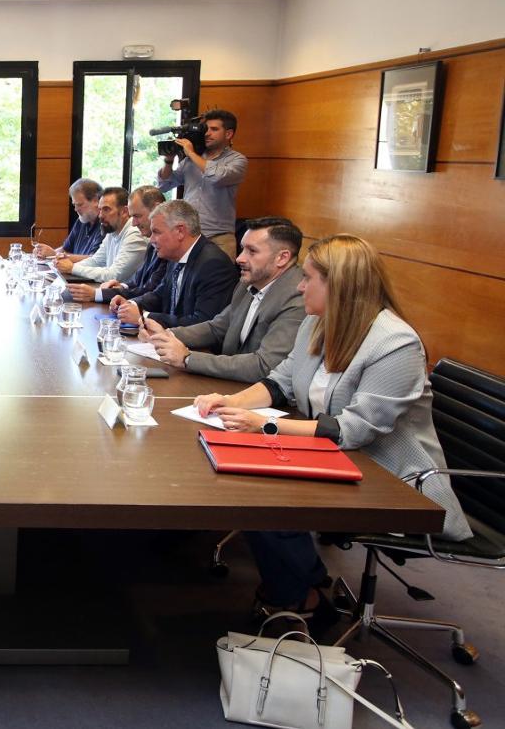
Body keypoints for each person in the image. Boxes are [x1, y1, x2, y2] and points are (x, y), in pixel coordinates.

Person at [193, 234, 472, 619]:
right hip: (338, 456)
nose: (300, 286)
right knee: (245, 483)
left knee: (266, 501)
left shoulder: (395, 344)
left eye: (308, 278)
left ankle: (299, 601)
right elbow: (281, 380)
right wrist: (231, 403)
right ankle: (304, 583)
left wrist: (265, 427)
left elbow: (355, 430)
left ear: (340, 285)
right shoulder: (316, 323)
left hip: (394, 478)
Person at [143, 217, 306, 383]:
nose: (239, 259)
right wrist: (166, 335)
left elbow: (264, 365)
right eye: (242, 249)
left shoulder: (297, 297)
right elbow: (217, 327)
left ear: (282, 258)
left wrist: (187, 358)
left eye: (252, 251)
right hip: (232, 385)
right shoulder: (249, 282)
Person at [112, 199, 237, 329]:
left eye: (156, 232)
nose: (152, 239)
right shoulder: (175, 256)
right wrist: (131, 305)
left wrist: (144, 317)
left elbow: (202, 323)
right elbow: (159, 295)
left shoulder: (213, 264)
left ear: (180, 231)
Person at [156, 109, 247, 259]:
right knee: (185, 280)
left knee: (219, 280)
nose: (207, 133)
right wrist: (168, 160)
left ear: (228, 134)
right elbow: (165, 184)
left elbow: (217, 177)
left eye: (214, 129)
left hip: (219, 237)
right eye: (206, 129)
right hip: (189, 235)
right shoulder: (191, 160)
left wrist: (191, 153)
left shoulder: (238, 160)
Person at [79, 185, 168, 305]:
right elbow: (138, 281)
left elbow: (150, 291)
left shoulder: (157, 242)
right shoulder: (151, 241)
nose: (134, 223)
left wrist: (97, 294)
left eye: (137, 216)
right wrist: (122, 286)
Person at [56, 186, 147, 284]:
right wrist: (65, 267)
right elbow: (96, 261)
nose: (100, 215)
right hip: (112, 293)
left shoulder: (135, 233)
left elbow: (114, 275)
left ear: (124, 212)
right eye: (100, 210)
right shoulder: (112, 230)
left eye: (106, 210)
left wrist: (72, 268)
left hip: (126, 297)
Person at [32, 178, 104, 261]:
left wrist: (55, 255)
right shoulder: (82, 220)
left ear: (95, 201)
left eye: (80, 205)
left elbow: (95, 260)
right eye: (74, 205)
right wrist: (45, 254)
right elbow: (66, 249)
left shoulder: (105, 224)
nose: (76, 209)